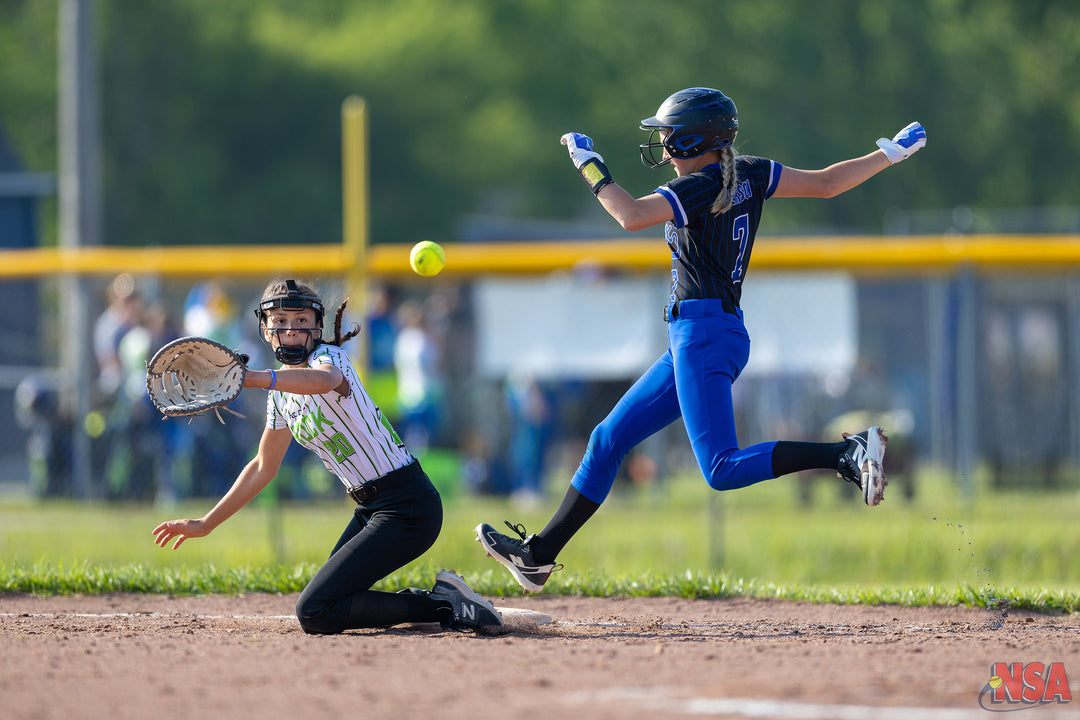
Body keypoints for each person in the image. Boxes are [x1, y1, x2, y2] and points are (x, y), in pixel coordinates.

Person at [476, 87, 926, 593]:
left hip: (703, 334)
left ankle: (847, 454)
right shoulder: (749, 171)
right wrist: (888, 154)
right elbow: (826, 184)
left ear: (694, 141)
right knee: (607, 439)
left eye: (668, 136)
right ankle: (538, 556)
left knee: (721, 470)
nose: (663, 146)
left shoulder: (698, 186)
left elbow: (629, 215)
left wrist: (590, 165)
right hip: (707, 333)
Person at [154, 279, 502, 633]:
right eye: (280, 321)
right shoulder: (281, 394)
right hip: (371, 510)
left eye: (301, 321)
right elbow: (262, 466)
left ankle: (444, 605)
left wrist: (253, 378)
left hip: (408, 506)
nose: (291, 330)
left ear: (317, 326)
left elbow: (324, 381)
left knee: (314, 611)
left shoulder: (328, 358)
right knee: (331, 602)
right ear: (265, 328)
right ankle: (443, 599)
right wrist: (206, 523)